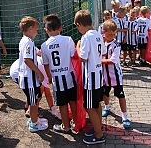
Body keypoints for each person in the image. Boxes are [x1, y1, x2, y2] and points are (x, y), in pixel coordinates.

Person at [41, 14, 77, 134]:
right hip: (70, 76)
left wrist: (49, 77)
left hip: (57, 78)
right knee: (72, 100)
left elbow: (46, 64)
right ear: (60, 28)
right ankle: (76, 124)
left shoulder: (44, 45)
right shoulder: (68, 39)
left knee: (62, 103)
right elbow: (74, 55)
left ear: (46, 30)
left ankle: (65, 126)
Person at [75, 10, 106, 145]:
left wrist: (78, 47)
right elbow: (103, 52)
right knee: (97, 104)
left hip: (91, 78)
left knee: (89, 107)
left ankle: (99, 135)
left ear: (79, 24)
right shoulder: (98, 34)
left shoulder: (86, 37)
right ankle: (98, 127)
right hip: (99, 76)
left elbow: (82, 58)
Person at [18, 16, 48, 132]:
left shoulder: (25, 40)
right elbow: (27, 59)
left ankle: (34, 119)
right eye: (36, 29)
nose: (37, 32)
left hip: (28, 79)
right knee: (34, 102)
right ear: (30, 28)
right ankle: (34, 124)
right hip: (29, 79)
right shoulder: (28, 42)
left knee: (34, 100)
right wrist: (39, 73)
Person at [10, 55, 61, 120]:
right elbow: (47, 93)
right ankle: (31, 112)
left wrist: (52, 108)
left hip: (17, 70)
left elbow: (47, 91)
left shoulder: (44, 62)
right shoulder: (44, 69)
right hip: (18, 73)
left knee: (36, 90)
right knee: (38, 92)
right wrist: (53, 109)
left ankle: (28, 106)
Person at [101, 20, 131, 129]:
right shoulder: (100, 43)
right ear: (103, 32)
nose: (112, 36)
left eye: (114, 34)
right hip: (105, 76)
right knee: (105, 92)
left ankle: (125, 116)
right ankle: (107, 108)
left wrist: (97, 61)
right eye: (109, 34)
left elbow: (113, 60)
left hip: (115, 76)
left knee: (120, 95)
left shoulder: (116, 44)